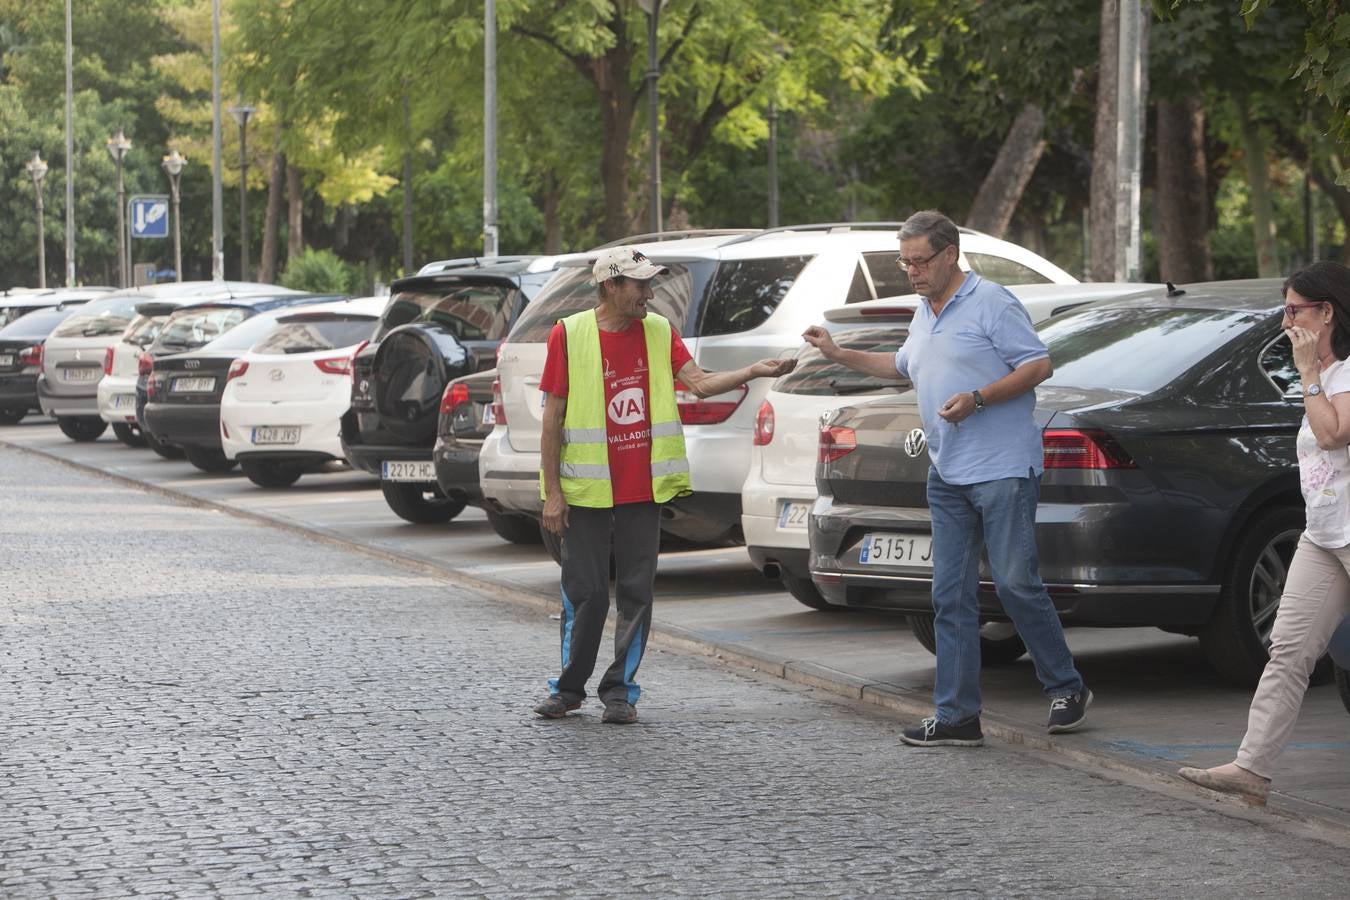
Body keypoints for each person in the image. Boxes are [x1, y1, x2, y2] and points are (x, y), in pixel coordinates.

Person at [801, 210, 1091, 748]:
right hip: (947, 471)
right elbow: (902, 366)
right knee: (949, 595)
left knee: (1014, 584)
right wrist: (839, 353)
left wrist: (979, 398)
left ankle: (1066, 686)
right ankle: (958, 716)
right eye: (904, 261)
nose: (910, 271)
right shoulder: (924, 312)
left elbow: (1038, 365)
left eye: (919, 261)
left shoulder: (992, 302)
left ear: (949, 254)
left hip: (1001, 468)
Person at [532, 246, 796, 724]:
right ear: (611, 285)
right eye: (640, 285)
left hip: (643, 487)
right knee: (586, 592)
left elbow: (697, 382)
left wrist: (755, 371)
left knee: (637, 592)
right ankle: (569, 688)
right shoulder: (568, 334)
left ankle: (620, 692)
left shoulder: (658, 331)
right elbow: (552, 419)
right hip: (586, 491)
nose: (650, 294)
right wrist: (552, 492)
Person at [1179, 262, 1350, 806]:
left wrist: (1308, 372)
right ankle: (1251, 769)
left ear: (1326, 312)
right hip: (1323, 536)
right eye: (1284, 308)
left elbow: (1332, 435)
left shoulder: (1343, 373)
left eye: (1295, 309)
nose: (1285, 320)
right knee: (1289, 651)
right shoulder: (1324, 372)